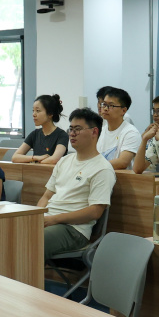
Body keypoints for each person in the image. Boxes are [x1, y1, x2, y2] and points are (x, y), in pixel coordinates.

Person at [38, 108, 116, 263]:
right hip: (49, 220)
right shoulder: (64, 161)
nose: (72, 134)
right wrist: (36, 216)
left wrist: (54, 219)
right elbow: (46, 196)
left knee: (32, 240)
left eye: (78, 129)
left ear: (94, 132)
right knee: (11, 231)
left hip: (74, 230)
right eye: (71, 129)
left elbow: (95, 211)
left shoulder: (102, 168)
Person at [12, 95, 68, 164]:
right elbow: (15, 157)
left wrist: (36, 162)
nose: (34, 114)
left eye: (38, 111)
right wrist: (35, 158)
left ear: (50, 114)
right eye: (33, 111)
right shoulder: (34, 134)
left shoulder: (62, 135)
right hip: (36, 170)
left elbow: (54, 159)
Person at [96, 86, 141, 170]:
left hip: (120, 177)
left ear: (123, 111)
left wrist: (93, 166)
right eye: (104, 104)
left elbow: (122, 162)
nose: (105, 109)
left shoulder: (131, 132)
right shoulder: (101, 130)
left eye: (111, 105)